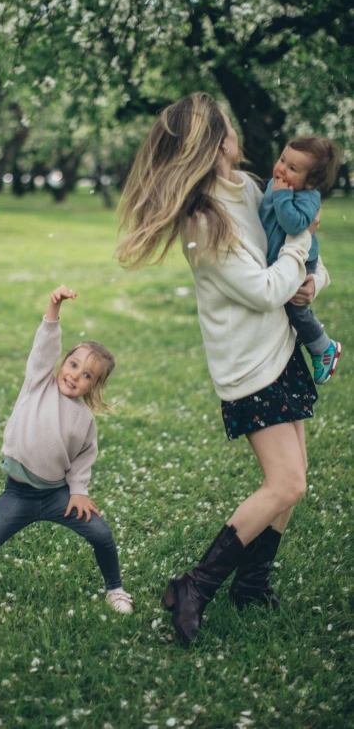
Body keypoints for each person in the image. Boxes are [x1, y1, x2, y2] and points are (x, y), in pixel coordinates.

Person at [116, 92, 329, 645]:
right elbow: (263, 290)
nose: (237, 131)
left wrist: (313, 280)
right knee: (286, 483)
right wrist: (301, 247)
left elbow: (296, 265)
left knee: (293, 481)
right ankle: (195, 586)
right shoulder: (204, 218)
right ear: (213, 142)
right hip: (250, 367)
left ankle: (251, 585)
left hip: (279, 349)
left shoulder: (251, 188)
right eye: (228, 126)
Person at [0, 286, 133, 614]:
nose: (75, 375)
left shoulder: (84, 419)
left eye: (87, 375)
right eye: (73, 364)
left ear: (94, 385)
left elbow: (83, 459)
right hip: (18, 495)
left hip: (56, 496)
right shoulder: (38, 382)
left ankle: (115, 590)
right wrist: (53, 308)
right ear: (62, 363)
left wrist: (78, 492)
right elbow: (43, 347)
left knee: (101, 533)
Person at [259, 136, 342, 384]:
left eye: (293, 169)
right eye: (283, 160)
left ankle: (322, 346)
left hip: (303, 260)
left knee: (295, 308)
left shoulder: (307, 197)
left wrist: (282, 196)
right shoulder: (276, 184)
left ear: (311, 181)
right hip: (280, 258)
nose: (282, 169)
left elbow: (295, 226)